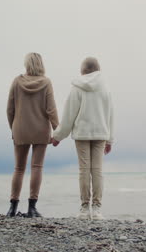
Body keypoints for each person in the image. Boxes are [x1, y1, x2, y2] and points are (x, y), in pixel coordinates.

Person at [52, 57, 114, 220]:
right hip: (101, 133)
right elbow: (110, 115)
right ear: (98, 69)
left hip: (82, 133)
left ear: (82, 70)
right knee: (98, 170)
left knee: (84, 170)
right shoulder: (105, 88)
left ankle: (85, 209)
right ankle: (98, 209)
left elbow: (69, 115)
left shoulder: (77, 88)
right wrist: (110, 139)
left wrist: (58, 136)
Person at [6, 52, 59, 218]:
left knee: (19, 168)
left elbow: (10, 109)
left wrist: (13, 128)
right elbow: (51, 109)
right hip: (40, 130)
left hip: (20, 129)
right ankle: (32, 208)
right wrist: (57, 130)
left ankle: (12, 208)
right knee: (36, 167)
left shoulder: (17, 81)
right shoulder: (46, 82)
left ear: (26, 64)